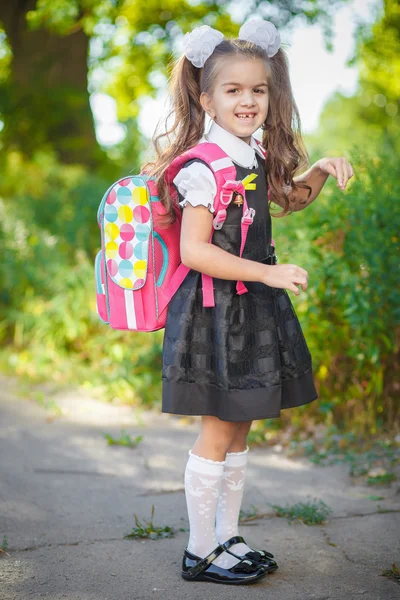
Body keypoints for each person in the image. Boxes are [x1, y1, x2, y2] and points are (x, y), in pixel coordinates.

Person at [144, 18, 354, 585]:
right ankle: (199, 550)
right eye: (233, 90)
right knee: (218, 429)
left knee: (241, 428)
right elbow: (194, 252)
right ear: (205, 97)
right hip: (214, 312)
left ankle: (226, 537)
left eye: (258, 89)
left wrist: (319, 170)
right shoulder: (204, 167)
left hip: (250, 308)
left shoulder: (253, 154)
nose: (248, 100)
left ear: (271, 93)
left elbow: (286, 198)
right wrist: (270, 271)